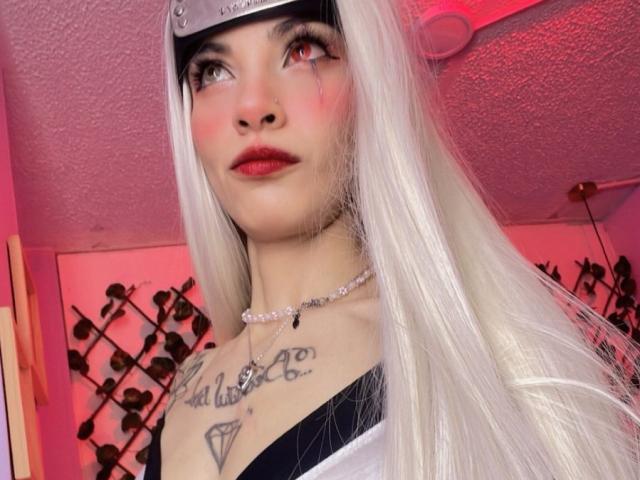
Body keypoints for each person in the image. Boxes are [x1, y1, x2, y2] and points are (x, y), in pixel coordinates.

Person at [136, 0, 640, 478]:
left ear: (370, 84)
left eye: (303, 50)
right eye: (213, 71)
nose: (252, 107)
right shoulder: (191, 380)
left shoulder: (451, 351)